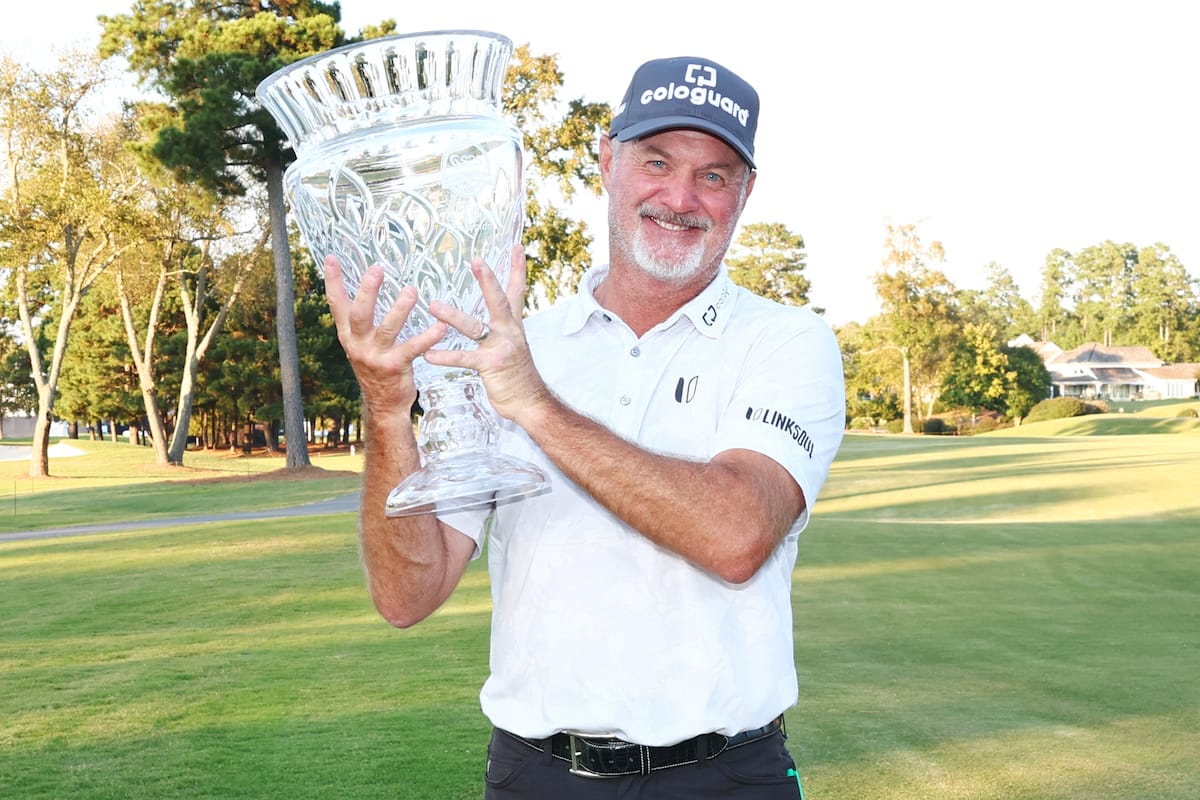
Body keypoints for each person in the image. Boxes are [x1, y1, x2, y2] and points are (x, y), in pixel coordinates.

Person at [323, 55, 845, 799]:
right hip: (538, 774)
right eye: (656, 161)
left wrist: (536, 404)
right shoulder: (515, 344)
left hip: (726, 777)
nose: (680, 197)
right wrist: (385, 407)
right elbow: (409, 594)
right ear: (606, 160)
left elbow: (736, 537)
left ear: (745, 192)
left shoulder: (786, 341)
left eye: (714, 175)